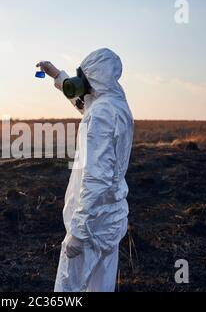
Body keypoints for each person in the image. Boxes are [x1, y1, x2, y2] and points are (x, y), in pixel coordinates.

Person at [37, 48, 134, 292]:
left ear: (93, 77)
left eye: (84, 75)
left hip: (92, 226)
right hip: (111, 217)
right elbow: (86, 106)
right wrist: (58, 76)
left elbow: (96, 178)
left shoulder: (101, 115)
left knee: (69, 289)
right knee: (100, 286)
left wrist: (79, 232)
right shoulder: (116, 105)